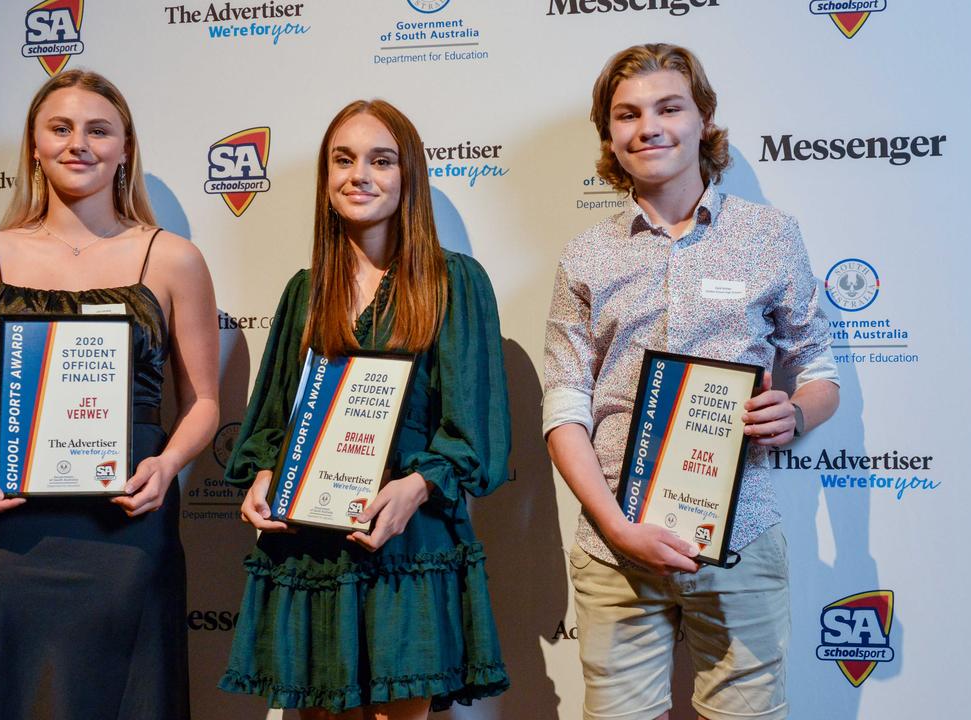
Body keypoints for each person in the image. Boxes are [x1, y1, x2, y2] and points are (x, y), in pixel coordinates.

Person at [543, 44, 841, 720]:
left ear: (703, 120)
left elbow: (820, 374)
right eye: (627, 114)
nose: (648, 126)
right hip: (613, 549)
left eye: (668, 107)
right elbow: (564, 406)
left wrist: (794, 415)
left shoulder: (771, 236)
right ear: (609, 135)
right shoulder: (584, 256)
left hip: (742, 533)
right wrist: (618, 529)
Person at [0, 69, 219, 720]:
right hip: (4, 524)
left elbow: (203, 404)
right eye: (60, 128)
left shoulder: (172, 260)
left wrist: (169, 466)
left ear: (124, 147)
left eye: (97, 130)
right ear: (34, 144)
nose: (77, 143)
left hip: (126, 527)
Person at [220, 99, 510, 720]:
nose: (360, 175)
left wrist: (416, 487)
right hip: (312, 545)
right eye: (343, 160)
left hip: (407, 543)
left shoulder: (454, 282)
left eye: (382, 160)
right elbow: (272, 419)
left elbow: (474, 435)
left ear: (409, 177)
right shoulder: (305, 291)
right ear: (326, 182)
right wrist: (267, 473)